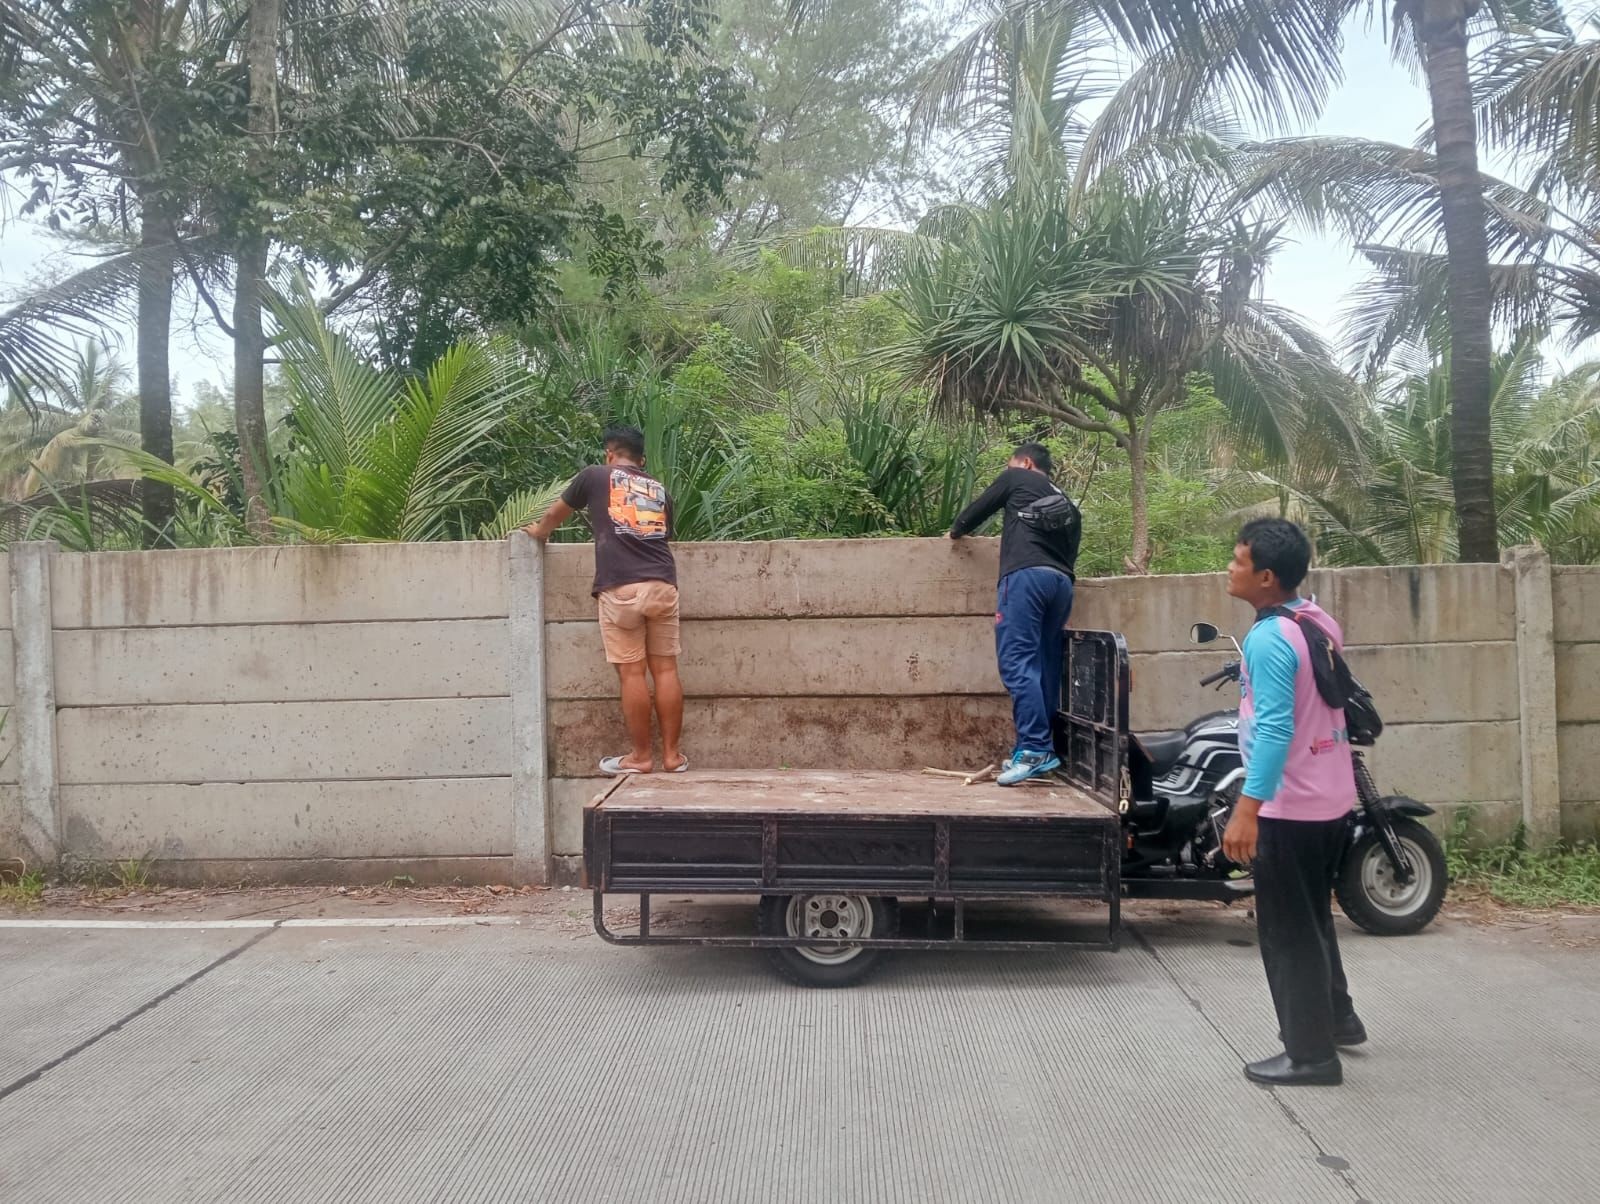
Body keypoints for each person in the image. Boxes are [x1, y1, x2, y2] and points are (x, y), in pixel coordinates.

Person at [1220, 517, 1365, 1087]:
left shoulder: (1267, 638)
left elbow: (1277, 729)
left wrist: (1247, 809)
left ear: (1267, 577)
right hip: (1331, 798)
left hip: (1290, 806)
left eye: (1237, 561)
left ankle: (1309, 1056)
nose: (1229, 569)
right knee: (1313, 920)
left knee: (1288, 933)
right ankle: (1339, 1021)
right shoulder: (1316, 620)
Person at [521, 426, 687, 775]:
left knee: (632, 674)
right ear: (641, 460)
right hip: (662, 585)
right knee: (666, 669)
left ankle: (641, 757)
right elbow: (660, 534)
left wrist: (539, 533)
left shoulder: (595, 476)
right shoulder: (659, 489)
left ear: (610, 454)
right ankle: (672, 757)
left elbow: (555, 514)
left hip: (620, 587)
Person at [948, 442, 1081, 787]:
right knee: (1045, 665)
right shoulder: (1067, 502)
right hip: (1061, 584)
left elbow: (978, 510)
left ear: (1024, 462)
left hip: (1026, 579)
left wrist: (956, 530)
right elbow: (1070, 555)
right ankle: (1034, 750)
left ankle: (1036, 748)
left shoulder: (1017, 478)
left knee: (1017, 661)